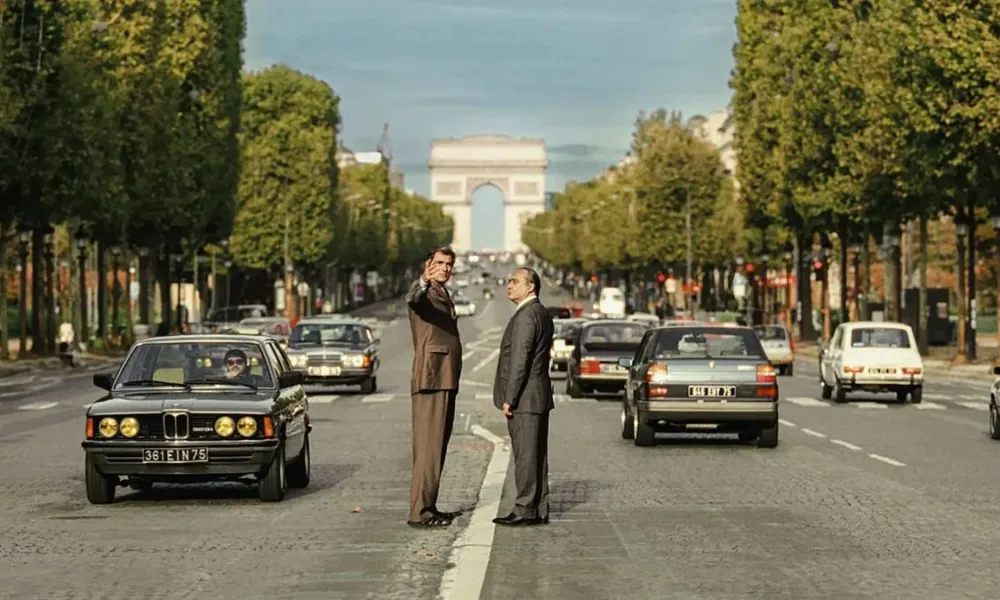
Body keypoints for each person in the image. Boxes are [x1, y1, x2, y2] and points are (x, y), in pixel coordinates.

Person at [405, 245, 464, 528]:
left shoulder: (443, 291)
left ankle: (429, 504)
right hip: (432, 376)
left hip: (443, 376)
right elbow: (413, 299)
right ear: (428, 265)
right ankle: (420, 511)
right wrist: (423, 282)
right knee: (428, 446)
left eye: (448, 264)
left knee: (436, 445)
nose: (444, 268)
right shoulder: (426, 291)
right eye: (439, 263)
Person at [492, 267, 554, 526]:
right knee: (536, 455)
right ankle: (538, 507)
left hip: (525, 398)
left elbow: (520, 360)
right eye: (509, 281)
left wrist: (510, 397)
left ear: (531, 287)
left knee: (526, 456)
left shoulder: (526, 316)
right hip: (537, 395)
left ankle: (525, 508)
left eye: (515, 281)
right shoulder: (541, 312)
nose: (509, 285)